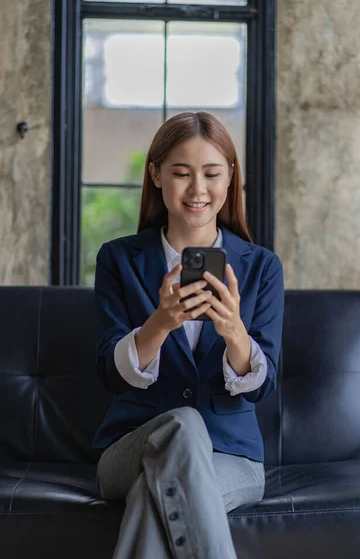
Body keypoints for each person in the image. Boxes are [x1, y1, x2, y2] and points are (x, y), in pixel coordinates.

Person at [92, 111, 284, 559]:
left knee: (152, 497)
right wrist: (160, 323)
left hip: (232, 458)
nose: (198, 190)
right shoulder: (118, 260)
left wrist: (234, 332)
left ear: (231, 177)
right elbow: (109, 374)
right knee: (183, 423)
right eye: (181, 173)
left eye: (212, 173)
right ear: (156, 176)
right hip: (130, 448)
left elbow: (264, 385)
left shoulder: (261, 267)